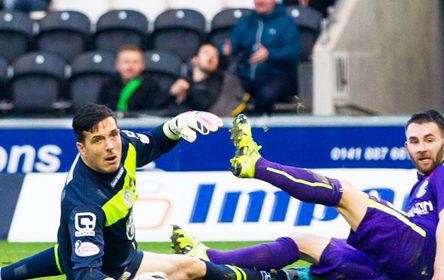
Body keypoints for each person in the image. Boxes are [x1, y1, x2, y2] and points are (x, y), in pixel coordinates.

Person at [171, 110, 444, 280]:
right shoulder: (424, 182)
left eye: (429, 140)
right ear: (406, 146)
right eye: (415, 140)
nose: (422, 147)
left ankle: (257, 164)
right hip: (403, 273)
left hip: (420, 254)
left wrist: (440, 270)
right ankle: (210, 261)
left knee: (346, 194)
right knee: (304, 244)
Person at [0, 104, 291, 280]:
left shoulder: (122, 146)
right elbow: (85, 272)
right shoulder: (85, 205)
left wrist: (176, 125)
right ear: (82, 149)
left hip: (123, 256)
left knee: (193, 267)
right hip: (108, 272)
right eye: (98, 140)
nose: (111, 146)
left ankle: (275, 277)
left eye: (113, 134)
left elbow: (151, 144)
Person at [222, 0, 300, 114]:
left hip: (277, 77)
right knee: (223, 87)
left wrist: (269, 54)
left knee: (266, 94)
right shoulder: (246, 22)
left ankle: (257, 130)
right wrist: (226, 49)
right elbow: (233, 43)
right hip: (247, 76)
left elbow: (292, 53)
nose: (260, 0)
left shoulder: (286, 23)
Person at [98, 45, 161, 113]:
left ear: (142, 65)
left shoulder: (150, 86)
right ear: (117, 64)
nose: (130, 67)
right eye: (126, 62)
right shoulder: (108, 84)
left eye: (135, 62)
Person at [168, 43, 225, 113]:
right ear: (195, 59)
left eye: (215, 55)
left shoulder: (220, 81)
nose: (211, 57)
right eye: (206, 53)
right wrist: (171, 93)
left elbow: (206, 104)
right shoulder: (182, 78)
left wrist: (188, 89)